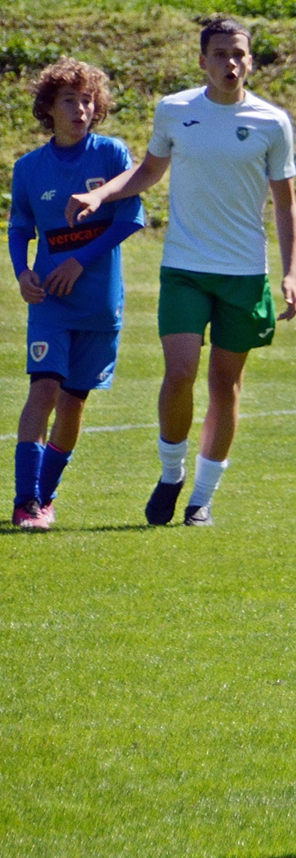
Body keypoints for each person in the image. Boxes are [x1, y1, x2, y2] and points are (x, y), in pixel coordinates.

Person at [67, 16, 296, 527]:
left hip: (243, 273)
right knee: (179, 373)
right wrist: (101, 195)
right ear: (202, 61)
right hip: (184, 267)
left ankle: (202, 498)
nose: (230, 62)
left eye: (238, 53)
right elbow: (149, 170)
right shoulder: (175, 110)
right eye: (219, 54)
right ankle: (171, 474)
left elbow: (285, 203)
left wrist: (290, 272)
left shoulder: (272, 121)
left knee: (225, 385)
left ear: (250, 61)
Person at [8, 59, 145, 530]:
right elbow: (20, 226)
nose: (81, 109)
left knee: (72, 402)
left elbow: (130, 219)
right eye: (70, 100)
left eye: (88, 100)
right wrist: (23, 272)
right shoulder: (29, 168)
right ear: (49, 107)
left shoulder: (111, 155)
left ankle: (45, 497)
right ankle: (25, 501)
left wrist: (79, 260)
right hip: (50, 300)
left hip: (99, 302)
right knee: (43, 388)